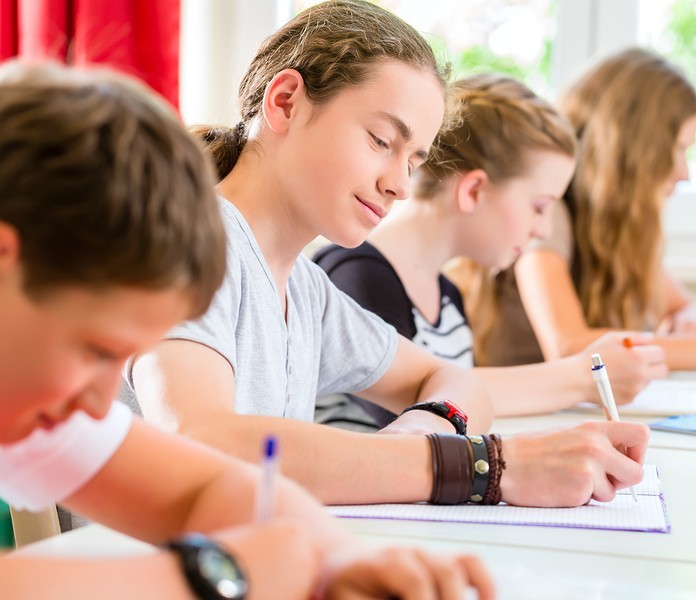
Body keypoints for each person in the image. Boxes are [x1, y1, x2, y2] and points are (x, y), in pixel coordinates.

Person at [123, 0, 650, 510]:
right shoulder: (186, 243)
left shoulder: (307, 291)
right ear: (285, 102)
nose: (398, 184)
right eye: (381, 140)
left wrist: (422, 433)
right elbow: (202, 444)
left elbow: (457, 381)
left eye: (414, 160)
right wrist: (476, 466)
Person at [0, 61, 492, 599]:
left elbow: (205, 486)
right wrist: (213, 576)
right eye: (96, 351)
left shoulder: (41, 408)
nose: (100, 406)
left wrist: (341, 557)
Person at [313, 73, 668, 432]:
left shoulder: (447, 296)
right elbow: (418, 414)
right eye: (539, 206)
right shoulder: (358, 276)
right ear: (474, 191)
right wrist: (578, 378)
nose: (542, 230)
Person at [473, 48, 696, 371]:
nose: (685, 173)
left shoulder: (619, 227)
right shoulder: (549, 214)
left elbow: (681, 305)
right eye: (679, 149)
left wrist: (688, 319)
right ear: (635, 150)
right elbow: (567, 347)